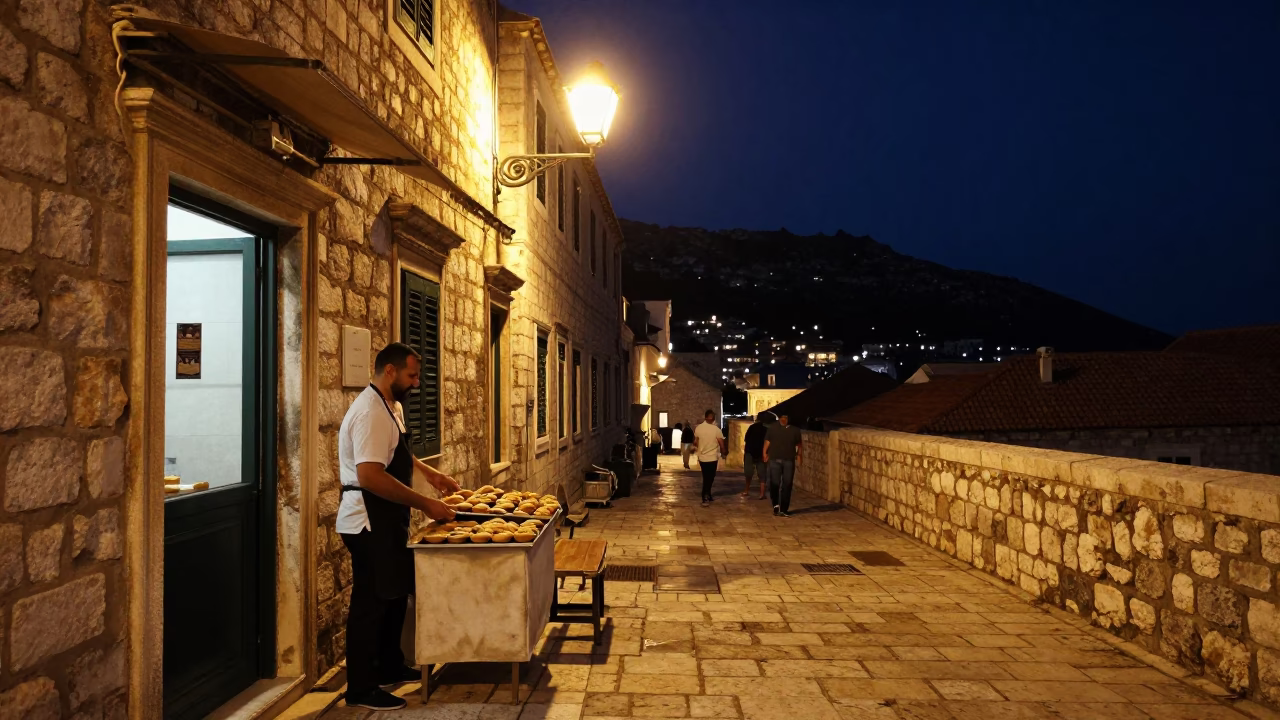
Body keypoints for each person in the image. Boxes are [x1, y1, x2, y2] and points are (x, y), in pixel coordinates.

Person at [337, 342, 461, 711]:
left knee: (392, 596)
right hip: (365, 521)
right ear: (389, 371)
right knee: (370, 604)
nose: (416, 382)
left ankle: (390, 664)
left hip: (386, 519)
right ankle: (361, 688)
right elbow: (371, 475)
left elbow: (397, 455)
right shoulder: (371, 412)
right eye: (411, 375)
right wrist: (426, 503)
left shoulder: (392, 406)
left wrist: (430, 474)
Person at [763, 412, 803, 518]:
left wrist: (799, 455)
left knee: (787, 484)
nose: (783, 420)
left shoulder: (795, 430)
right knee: (774, 484)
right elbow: (767, 441)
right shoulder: (772, 428)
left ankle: (784, 509)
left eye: (785, 418)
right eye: (781, 418)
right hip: (774, 459)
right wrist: (764, 453)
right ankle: (776, 505)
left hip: (789, 460)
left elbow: (799, 444)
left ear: (789, 419)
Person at [693, 409, 726, 505]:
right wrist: (724, 452)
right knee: (710, 477)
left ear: (705, 417)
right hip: (712, 457)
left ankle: (708, 493)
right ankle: (705, 495)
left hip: (702, 457)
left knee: (706, 476)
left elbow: (696, 441)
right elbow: (721, 443)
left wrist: (696, 448)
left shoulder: (698, 428)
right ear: (713, 418)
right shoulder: (716, 430)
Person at [741, 411, 773, 498]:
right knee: (762, 474)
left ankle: (747, 490)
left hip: (750, 452)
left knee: (749, 473)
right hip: (760, 453)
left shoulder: (752, 427)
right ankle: (762, 493)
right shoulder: (768, 429)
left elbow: (746, 439)